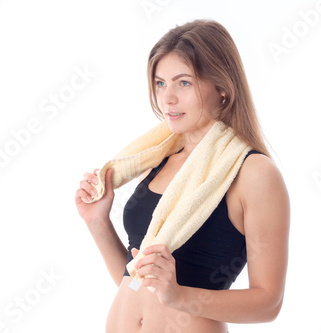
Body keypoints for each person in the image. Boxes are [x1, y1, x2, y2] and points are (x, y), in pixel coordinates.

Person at [75, 19, 290, 333]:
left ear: (222, 87)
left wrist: (180, 296)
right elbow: (136, 279)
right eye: (161, 83)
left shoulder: (253, 173)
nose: (168, 98)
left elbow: (268, 302)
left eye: (184, 82)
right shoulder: (157, 160)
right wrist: (97, 221)